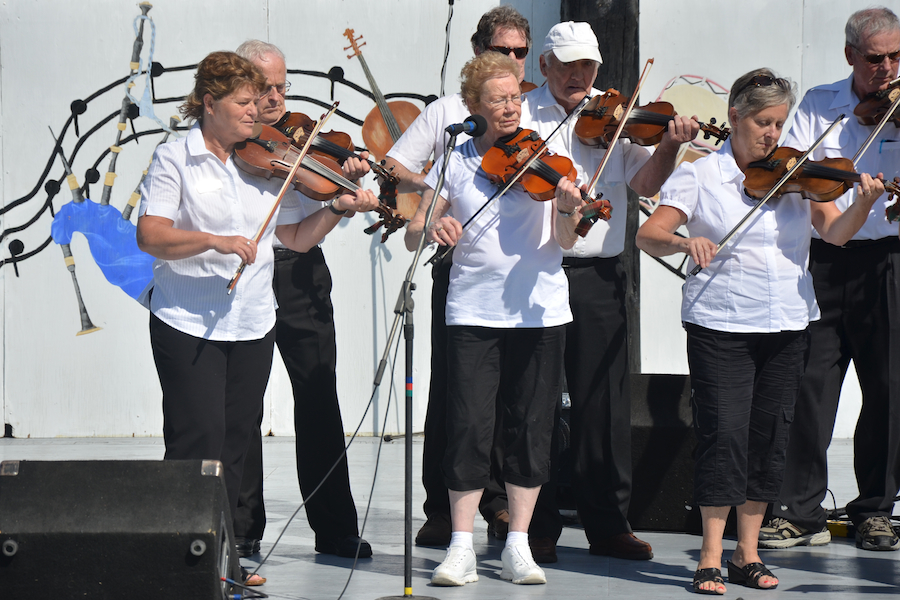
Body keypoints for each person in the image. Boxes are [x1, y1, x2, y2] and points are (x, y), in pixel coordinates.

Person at [636, 68, 884, 594]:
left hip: (788, 321)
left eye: (779, 123)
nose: (773, 134)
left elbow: (835, 234)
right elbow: (649, 233)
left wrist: (862, 203)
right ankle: (708, 555)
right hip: (720, 323)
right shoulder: (701, 175)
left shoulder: (796, 176)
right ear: (735, 118)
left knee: (770, 439)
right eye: (763, 122)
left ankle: (746, 555)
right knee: (723, 437)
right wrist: (686, 244)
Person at [135, 51, 378, 583]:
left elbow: (290, 236)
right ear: (209, 103)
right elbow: (150, 235)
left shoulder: (262, 166)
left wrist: (336, 209)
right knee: (198, 439)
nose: (256, 112)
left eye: (259, 101)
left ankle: (221, 559)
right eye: (244, 103)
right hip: (187, 320)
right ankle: (178, 560)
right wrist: (215, 242)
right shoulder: (175, 157)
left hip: (251, 323)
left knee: (236, 443)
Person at [519, 21, 698, 560]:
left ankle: (608, 521)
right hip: (537, 268)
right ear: (544, 65)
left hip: (596, 273)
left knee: (604, 398)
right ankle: (536, 524)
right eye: (569, 64)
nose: (580, 75)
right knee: (537, 400)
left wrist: (668, 146)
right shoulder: (524, 113)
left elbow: (645, 185)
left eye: (589, 66)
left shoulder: (617, 113)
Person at [390, 7, 563, 561]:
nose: (511, 107)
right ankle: (460, 542)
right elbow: (417, 230)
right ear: (474, 107)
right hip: (473, 308)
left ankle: (518, 542)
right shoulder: (456, 160)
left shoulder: (547, 156)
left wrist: (576, 207)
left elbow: (569, 237)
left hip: (538, 310)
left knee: (530, 426)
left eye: (515, 97)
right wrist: (431, 223)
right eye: (498, 100)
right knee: (467, 423)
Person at [758, 7, 900, 553]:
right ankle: (800, 510)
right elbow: (796, 173)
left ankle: (876, 510)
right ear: (850, 57)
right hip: (826, 256)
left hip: (891, 257)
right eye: (874, 59)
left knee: (888, 387)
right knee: (811, 384)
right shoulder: (821, 104)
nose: (886, 70)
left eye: (895, 58)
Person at [231, 39, 374, 560]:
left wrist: (344, 189)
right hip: (242, 271)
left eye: (281, 85)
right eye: (263, 87)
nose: (276, 98)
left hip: (298, 271)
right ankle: (241, 526)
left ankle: (335, 529)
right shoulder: (228, 139)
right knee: (241, 403)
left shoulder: (303, 134)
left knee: (318, 398)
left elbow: (306, 221)